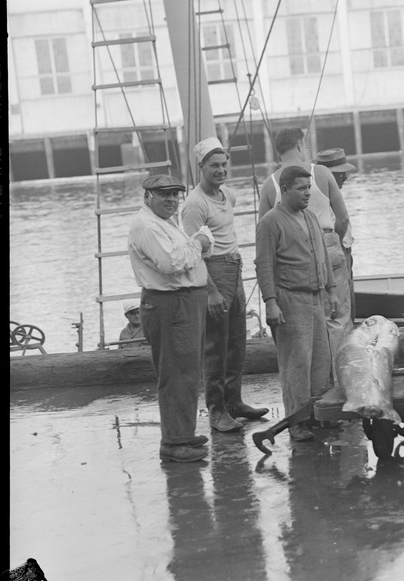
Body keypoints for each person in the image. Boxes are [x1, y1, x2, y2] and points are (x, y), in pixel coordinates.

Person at [182, 137, 268, 434]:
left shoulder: (228, 195)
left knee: (236, 342)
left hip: (234, 266)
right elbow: (194, 254)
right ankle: (217, 410)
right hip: (213, 272)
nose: (220, 170)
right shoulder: (194, 204)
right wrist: (211, 291)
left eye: (224, 165)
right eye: (214, 165)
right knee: (215, 346)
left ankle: (234, 402)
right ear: (201, 167)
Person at [127, 173, 211, 464]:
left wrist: (191, 246)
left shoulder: (165, 222)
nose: (171, 200)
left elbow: (179, 255)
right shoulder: (147, 226)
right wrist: (199, 242)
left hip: (184, 302)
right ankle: (174, 443)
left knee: (187, 372)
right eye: (164, 195)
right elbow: (172, 263)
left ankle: (182, 433)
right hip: (170, 304)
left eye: (175, 194)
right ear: (147, 196)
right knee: (176, 374)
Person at [255, 165, 340, 442]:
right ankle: (297, 422)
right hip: (290, 299)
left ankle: (318, 413)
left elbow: (324, 257)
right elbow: (264, 264)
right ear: (285, 189)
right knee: (296, 364)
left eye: (309, 188)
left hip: (315, 297)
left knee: (320, 360)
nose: (307, 193)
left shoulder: (311, 217)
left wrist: (332, 290)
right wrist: (270, 302)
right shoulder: (270, 222)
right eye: (302, 188)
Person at [259, 129, 352, 369]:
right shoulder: (320, 173)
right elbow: (342, 218)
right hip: (328, 243)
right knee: (338, 318)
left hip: (293, 253)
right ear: (300, 145)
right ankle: (340, 373)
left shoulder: (269, 185)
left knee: (310, 319)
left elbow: (265, 232)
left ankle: (317, 377)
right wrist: (336, 243)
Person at [316, 147, 358, 316]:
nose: (345, 177)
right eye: (340, 173)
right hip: (337, 251)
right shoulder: (325, 198)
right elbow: (343, 220)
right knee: (341, 306)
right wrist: (338, 244)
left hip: (344, 251)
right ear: (329, 175)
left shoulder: (329, 195)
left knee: (347, 299)